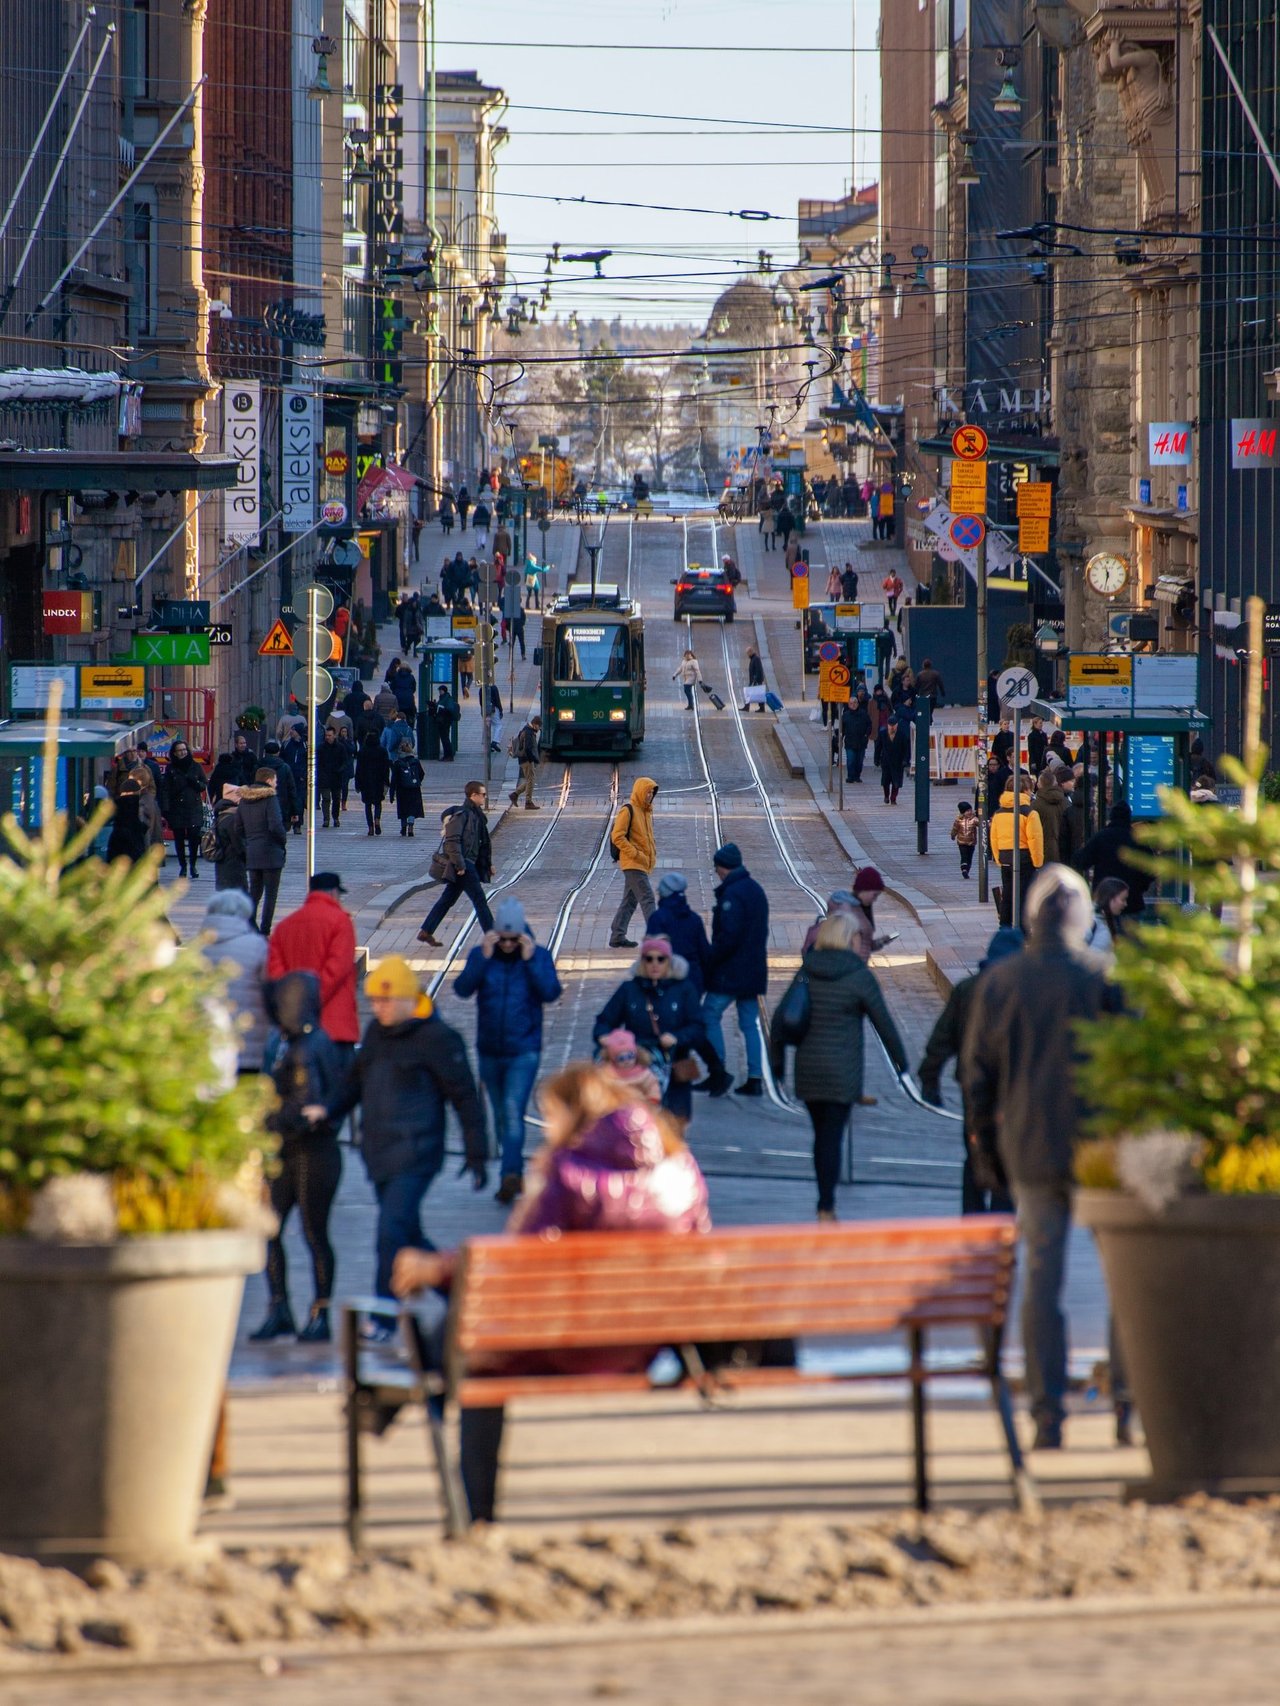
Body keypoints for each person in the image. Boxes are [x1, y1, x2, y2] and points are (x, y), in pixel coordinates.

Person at [390, 1063, 709, 1521]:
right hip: (646, 1341)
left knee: (475, 1347)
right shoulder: (680, 1167)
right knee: (468, 1338)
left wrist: (435, 1268)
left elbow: (517, 1260)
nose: (549, 1127)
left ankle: (471, 1512)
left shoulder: (567, 1171)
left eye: (551, 1115)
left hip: (570, 1343)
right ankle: (388, 1415)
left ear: (574, 1114)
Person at [961, 865, 1124, 1451]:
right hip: (1102, 1150)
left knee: (1042, 1279)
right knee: (1123, 1278)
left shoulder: (1002, 982)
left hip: (1030, 1145)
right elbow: (1136, 1067)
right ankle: (1127, 1403)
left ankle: (1047, 1413)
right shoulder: (1103, 976)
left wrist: (986, 1154)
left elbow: (976, 1079)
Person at [313, 956, 485, 1331]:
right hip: (379, 1153)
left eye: (387, 1001)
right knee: (406, 1232)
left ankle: (384, 1317)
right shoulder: (376, 1033)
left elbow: (464, 1097)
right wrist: (326, 1110)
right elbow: (353, 1083)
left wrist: (477, 1152)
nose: (380, 1008)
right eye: (375, 1001)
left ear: (410, 998)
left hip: (417, 1152)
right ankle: (464, 1292)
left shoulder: (439, 1039)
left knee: (388, 1233)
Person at [771, 912, 908, 1221]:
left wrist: (778, 1066)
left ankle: (824, 1201)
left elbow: (781, 1019)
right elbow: (883, 1022)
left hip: (808, 1070)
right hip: (842, 1071)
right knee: (832, 1137)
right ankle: (826, 1206)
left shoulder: (808, 969)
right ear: (848, 939)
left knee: (821, 1137)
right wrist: (904, 1065)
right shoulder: (858, 975)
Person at [249, 969, 345, 1345]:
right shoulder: (308, 1041)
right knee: (295, 1231)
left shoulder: (301, 1049)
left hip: (306, 1151)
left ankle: (303, 1310)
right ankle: (291, 1309)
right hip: (304, 1151)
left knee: (305, 1232)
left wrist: (266, 1116)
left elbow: (304, 1109)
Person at [454, 896, 562, 1204]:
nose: (508, 945)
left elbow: (550, 992)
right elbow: (462, 989)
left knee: (514, 1112)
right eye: (503, 939)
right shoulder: (483, 954)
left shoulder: (537, 955)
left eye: (513, 940)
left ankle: (510, 1175)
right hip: (489, 1049)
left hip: (523, 1050)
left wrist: (529, 962)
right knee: (501, 1115)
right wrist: (482, 959)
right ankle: (510, 1169)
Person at [918, 926, 1023, 1214]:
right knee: (1008, 1155)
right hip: (1015, 1089)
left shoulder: (968, 988)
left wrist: (930, 1078)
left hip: (973, 1084)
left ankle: (973, 1219)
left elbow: (942, 1037)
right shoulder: (1024, 993)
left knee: (975, 1149)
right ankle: (1001, 1222)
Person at [593, 934, 710, 1126]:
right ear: (643, 962)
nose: (655, 964)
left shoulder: (683, 989)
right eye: (649, 959)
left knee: (673, 1126)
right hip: (636, 1065)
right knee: (636, 1124)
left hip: (673, 1066)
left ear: (669, 962)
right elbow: (605, 1020)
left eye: (660, 959)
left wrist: (677, 1037)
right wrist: (604, 1037)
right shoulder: (630, 989)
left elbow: (698, 1026)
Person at [266, 871, 359, 1055]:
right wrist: (312, 1001)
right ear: (333, 893)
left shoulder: (284, 926)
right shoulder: (341, 922)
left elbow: (276, 975)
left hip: (296, 1028)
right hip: (335, 1028)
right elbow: (337, 969)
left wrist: (296, 1005)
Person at [703, 843, 769, 1097]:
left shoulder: (733, 894)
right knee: (749, 1024)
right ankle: (755, 1077)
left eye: (717, 868)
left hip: (732, 971)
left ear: (723, 867)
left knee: (709, 1014)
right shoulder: (754, 889)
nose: (717, 873)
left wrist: (712, 958)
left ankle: (718, 1070)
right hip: (753, 969)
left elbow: (728, 937)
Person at [418, 780, 494, 945]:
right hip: (464, 866)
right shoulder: (463, 815)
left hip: (467, 864)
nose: (485, 797)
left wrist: (488, 865)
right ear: (473, 795)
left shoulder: (477, 815)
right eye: (483, 794)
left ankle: (426, 931)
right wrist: (460, 865)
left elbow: (481, 843)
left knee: (447, 899)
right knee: (480, 900)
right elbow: (452, 841)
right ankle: (494, 938)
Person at [234, 767, 289, 934]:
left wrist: (248, 843)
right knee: (271, 895)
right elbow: (275, 826)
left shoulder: (244, 800)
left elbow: (238, 827)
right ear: (268, 781)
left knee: (255, 892)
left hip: (253, 851)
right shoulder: (270, 799)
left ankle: (250, 925)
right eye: (275, 780)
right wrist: (282, 842)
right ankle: (265, 930)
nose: (276, 783)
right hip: (271, 852)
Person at [1075, 801, 1152, 917]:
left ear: (1111, 816)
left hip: (1105, 901)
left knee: (1105, 933)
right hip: (1132, 901)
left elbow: (1081, 861)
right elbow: (1152, 868)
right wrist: (1141, 886)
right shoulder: (1138, 840)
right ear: (1129, 817)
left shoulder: (1101, 837)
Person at [608, 777, 659, 950]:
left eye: (652, 792)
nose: (650, 795)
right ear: (640, 791)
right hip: (633, 863)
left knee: (630, 900)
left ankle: (617, 935)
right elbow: (617, 835)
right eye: (648, 791)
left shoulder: (646, 812)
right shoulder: (628, 810)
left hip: (640, 863)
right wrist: (635, 854)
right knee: (648, 898)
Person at [989, 780, 1046, 928]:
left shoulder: (998, 813)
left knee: (1007, 894)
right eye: (1029, 790)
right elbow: (1035, 839)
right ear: (1025, 790)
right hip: (1024, 859)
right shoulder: (1029, 813)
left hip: (1006, 858)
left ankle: (1005, 926)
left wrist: (999, 859)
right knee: (1024, 895)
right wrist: (1038, 862)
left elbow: (994, 838)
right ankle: (1023, 928)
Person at [646, 871, 711, 996]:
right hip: (693, 980)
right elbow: (704, 952)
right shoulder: (694, 918)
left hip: (666, 979)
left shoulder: (657, 918)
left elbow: (650, 951)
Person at [161, 739, 209, 879]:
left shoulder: (195, 766)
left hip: (193, 807)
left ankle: (193, 864)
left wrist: (193, 781)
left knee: (194, 838)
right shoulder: (171, 769)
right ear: (174, 753)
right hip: (177, 808)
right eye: (179, 750)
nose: (182, 752)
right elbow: (166, 789)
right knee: (179, 839)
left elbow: (203, 785)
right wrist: (165, 809)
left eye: (184, 749)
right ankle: (183, 866)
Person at [596, 1028, 662, 1103]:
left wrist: (652, 1102)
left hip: (640, 1107)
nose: (626, 1061)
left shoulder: (644, 1074)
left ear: (636, 1056)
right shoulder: (607, 1075)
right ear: (613, 1060)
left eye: (630, 1056)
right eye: (621, 1058)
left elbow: (652, 1088)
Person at [355, 730, 390, 836]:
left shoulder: (362, 751)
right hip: (378, 781)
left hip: (365, 781)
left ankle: (370, 827)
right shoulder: (382, 751)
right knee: (378, 803)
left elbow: (359, 769)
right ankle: (377, 820)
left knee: (367, 804)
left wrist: (358, 783)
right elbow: (386, 767)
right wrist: (386, 781)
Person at [1032, 766, 1069, 865]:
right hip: (1063, 850)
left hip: (1043, 851)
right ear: (1055, 783)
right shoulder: (1066, 802)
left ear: (1040, 785)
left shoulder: (1035, 805)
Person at [1085, 875, 1130, 956]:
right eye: (1123, 899)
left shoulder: (1104, 919)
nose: (1125, 904)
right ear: (1111, 898)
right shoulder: (1091, 919)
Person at [212, 790, 248, 891]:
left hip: (222, 863)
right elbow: (238, 843)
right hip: (233, 863)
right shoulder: (231, 820)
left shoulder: (220, 816)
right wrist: (247, 857)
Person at [392, 741, 426, 836]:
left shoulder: (398, 763)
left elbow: (394, 779)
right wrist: (416, 781)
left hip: (402, 789)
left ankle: (403, 827)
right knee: (412, 808)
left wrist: (392, 793)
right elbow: (422, 774)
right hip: (414, 789)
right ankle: (411, 826)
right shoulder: (415, 761)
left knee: (403, 808)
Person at [875, 712, 910, 805]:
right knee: (885, 781)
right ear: (887, 725)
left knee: (896, 782)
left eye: (894, 725)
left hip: (898, 762)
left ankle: (893, 798)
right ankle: (886, 796)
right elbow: (878, 747)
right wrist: (876, 759)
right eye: (890, 725)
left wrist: (905, 760)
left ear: (897, 725)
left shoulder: (902, 735)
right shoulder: (882, 734)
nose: (892, 727)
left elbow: (906, 749)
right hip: (886, 761)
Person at [315, 726, 346, 830]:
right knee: (326, 798)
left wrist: (340, 770)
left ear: (334, 735)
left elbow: (344, 761)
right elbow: (318, 763)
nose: (327, 737)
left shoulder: (340, 747)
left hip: (336, 777)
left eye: (329, 735)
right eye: (326, 735)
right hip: (324, 777)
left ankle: (336, 818)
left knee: (336, 799)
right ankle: (326, 819)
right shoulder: (321, 748)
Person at [509, 715, 542, 810]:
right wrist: (533, 759)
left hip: (523, 759)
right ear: (535, 724)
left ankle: (515, 795)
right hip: (527, 760)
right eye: (539, 727)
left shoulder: (526, 729)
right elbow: (527, 748)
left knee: (530, 780)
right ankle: (528, 802)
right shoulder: (528, 732)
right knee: (530, 780)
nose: (539, 729)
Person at [281, 725, 307, 835]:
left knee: (299, 801)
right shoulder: (286, 744)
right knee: (287, 800)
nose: (291, 731)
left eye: (293, 730)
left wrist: (304, 775)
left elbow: (309, 761)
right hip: (288, 776)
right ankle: (287, 822)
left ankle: (298, 824)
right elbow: (282, 759)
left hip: (300, 778)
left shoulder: (305, 745)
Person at [842, 691, 872, 784]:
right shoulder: (846, 715)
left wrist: (866, 735)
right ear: (848, 705)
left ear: (858, 704)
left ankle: (857, 776)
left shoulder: (863, 714)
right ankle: (850, 776)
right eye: (851, 703)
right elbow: (842, 728)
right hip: (850, 741)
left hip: (861, 741)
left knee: (859, 761)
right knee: (850, 760)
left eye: (855, 703)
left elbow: (869, 725)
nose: (853, 705)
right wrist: (840, 737)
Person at [950, 800, 978, 879]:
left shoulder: (974, 819)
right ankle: (964, 869)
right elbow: (955, 829)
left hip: (971, 842)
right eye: (967, 811)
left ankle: (966, 870)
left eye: (970, 810)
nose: (969, 812)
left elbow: (981, 823)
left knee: (969, 857)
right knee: (964, 856)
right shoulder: (958, 820)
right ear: (962, 812)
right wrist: (953, 835)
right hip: (961, 842)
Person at [435, 685, 460, 760]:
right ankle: (447, 755)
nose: (440, 692)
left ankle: (448, 755)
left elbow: (449, 709)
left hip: (445, 721)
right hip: (442, 721)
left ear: (444, 691)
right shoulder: (443, 698)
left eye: (441, 690)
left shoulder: (447, 699)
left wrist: (441, 708)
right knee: (444, 739)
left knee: (445, 739)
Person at [743, 647, 767, 712]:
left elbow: (758, 670)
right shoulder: (753, 658)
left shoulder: (756, 659)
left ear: (750, 652)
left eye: (748, 653)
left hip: (756, 679)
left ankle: (761, 708)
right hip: (754, 679)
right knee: (751, 693)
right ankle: (747, 707)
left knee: (758, 694)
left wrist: (755, 680)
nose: (747, 655)